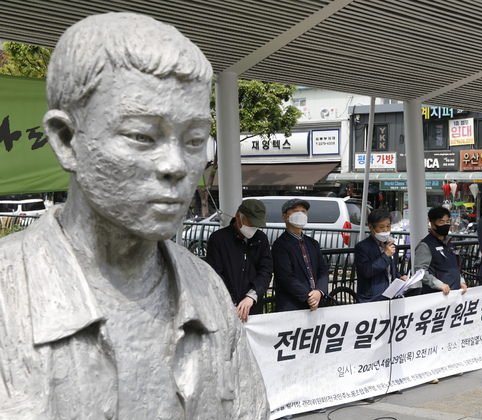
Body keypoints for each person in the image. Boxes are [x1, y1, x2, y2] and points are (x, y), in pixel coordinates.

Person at [0, 13, 268, 419]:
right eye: (143, 136)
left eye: (195, 139)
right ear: (66, 139)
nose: (176, 165)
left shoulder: (209, 294)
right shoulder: (8, 295)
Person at [206, 199, 273, 322]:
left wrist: (251, 297)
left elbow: (266, 270)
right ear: (238, 216)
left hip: (253, 306)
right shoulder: (218, 239)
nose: (254, 228)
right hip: (225, 307)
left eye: (257, 225)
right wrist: (230, 302)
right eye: (251, 223)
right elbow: (215, 275)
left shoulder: (261, 238)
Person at [272, 198, 329, 312]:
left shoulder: (313, 243)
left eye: (303, 211)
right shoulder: (280, 245)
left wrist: (319, 291)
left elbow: (323, 271)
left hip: (317, 304)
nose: (300, 214)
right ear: (285, 217)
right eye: (295, 211)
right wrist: (308, 297)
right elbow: (286, 276)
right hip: (292, 306)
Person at [355, 209, 408, 303]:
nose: (386, 230)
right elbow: (367, 271)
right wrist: (385, 255)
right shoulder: (362, 247)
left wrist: (400, 278)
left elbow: (393, 269)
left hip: (391, 296)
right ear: (371, 228)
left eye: (388, 226)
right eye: (381, 227)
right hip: (372, 299)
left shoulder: (391, 246)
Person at [415, 206, 468, 295]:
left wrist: (461, 281)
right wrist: (439, 285)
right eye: (441, 222)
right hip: (437, 295)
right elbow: (420, 271)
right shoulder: (425, 245)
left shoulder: (449, 243)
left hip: (454, 292)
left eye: (447, 221)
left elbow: (454, 267)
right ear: (432, 224)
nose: (446, 225)